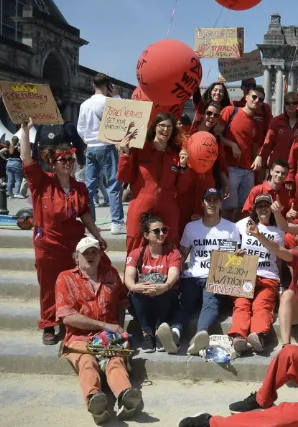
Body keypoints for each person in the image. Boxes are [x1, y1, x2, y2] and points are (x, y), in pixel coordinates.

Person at [19, 117, 107, 345]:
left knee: (79, 280)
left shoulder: (79, 187)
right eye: (63, 159)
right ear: (53, 162)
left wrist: (97, 236)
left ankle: (78, 318)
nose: (68, 163)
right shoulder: (41, 182)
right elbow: (26, 159)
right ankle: (49, 324)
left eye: (71, 158)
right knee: (49, 286)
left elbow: (85, 214)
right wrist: (25, 131)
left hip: (74, 243)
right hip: (48, 244)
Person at [56, 236, 142, 424]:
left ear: (100, 254)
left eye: (94, 251)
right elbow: (67, 316)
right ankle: (95, 400)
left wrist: (118, 332)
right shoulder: (65, 278)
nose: (90, 256)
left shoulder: (111, 273)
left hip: (107, 336)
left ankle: (126, 396)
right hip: (78, 337)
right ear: (76, 257)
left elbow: (121, 303)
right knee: (87, 361)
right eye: (85, 253)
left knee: (115, 360)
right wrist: (104, 325)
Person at [166, 188, 241, 355]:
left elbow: (236, 256)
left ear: (221, 203)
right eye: (209, 200)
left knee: (210, 302)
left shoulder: (231, 228)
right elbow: (182, 255)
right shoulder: (191, 227)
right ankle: (175, 334)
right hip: (192, 275)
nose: (212, 203)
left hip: (216, 276)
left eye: (216, 200)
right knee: (185, 303)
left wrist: (238, 256)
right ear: (202, 203)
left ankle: (200, 335)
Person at [117, 112, 191, 253]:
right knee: (135, 241)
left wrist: (183, 167)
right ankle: (133, 273)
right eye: (162, 125)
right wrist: (125, 154)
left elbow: (182, 188)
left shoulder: (177, 154)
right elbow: (124, 177)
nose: (165, 130)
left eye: (169, 127)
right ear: (154, 127)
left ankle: (169, 273)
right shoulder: (140, 149)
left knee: (170, 241)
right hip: (141, 202)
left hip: (167, 205)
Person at [228, 194, 284, 354]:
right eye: (259, 206)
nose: (263, 209)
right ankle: (238, 335)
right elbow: (228, 239)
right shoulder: (242, 224)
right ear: (255, 209)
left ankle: (258, 335)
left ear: (272, 208)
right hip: (245, 274)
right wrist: (235, 251)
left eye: (267, 206)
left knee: (262, 305)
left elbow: (281, 257)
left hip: (268, 277)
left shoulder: (278, 228)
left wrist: (282, 283)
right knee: (241, 304)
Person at [124, 213, 181, 353]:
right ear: (146, 235)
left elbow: (174, 274)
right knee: (135, 293)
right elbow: (128, 277)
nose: (161, 234)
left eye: (164, 230)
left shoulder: (172, 253)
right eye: (156, 231)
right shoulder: (137, 253)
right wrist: (135, 287)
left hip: (165, 298)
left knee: (164, 291)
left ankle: (160, 333)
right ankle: (147, 334)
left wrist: (165, 286)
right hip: (144, 300)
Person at [76, 73, 125, 234]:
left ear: (93, 85)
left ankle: (91, 221)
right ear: (108, 86)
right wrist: (116, 95)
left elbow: (80, 128)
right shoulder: (110, 102)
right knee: (113, 184)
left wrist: (89, 140)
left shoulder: (84, 104)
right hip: (107, 145)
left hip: (91, 147)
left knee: (90, 186)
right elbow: (123, 115)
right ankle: (116, 222)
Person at [219, 86, 269, 222]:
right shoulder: (230, 111)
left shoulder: (256, 124)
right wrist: (232, 144)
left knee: (244, 208)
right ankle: (225, 237)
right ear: (246, 97)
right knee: (228, 207)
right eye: (254, 97)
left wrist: (258, 160)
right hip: (231, 168)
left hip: (248, 171)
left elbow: (255, 147)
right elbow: (216, 135)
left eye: (260, 100)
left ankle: (237, 236)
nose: (257, 101)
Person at [177, 102, 230, 226]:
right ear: (203, 113)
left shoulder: (216, 139)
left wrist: (226, 183)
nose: (212, 117)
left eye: (216, 115)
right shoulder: (187, 132)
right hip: (186, 182)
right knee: (182, 220)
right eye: (209, 113)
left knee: (202, 223)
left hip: (206, 185)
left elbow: (221, 165)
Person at [255, 92, 298, 173]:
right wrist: (261, 158)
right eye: (288, 103)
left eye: (294, 103)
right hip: (278, 166)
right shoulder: (276, 121)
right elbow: (268, 143)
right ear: (284, 104)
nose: (291, 105)